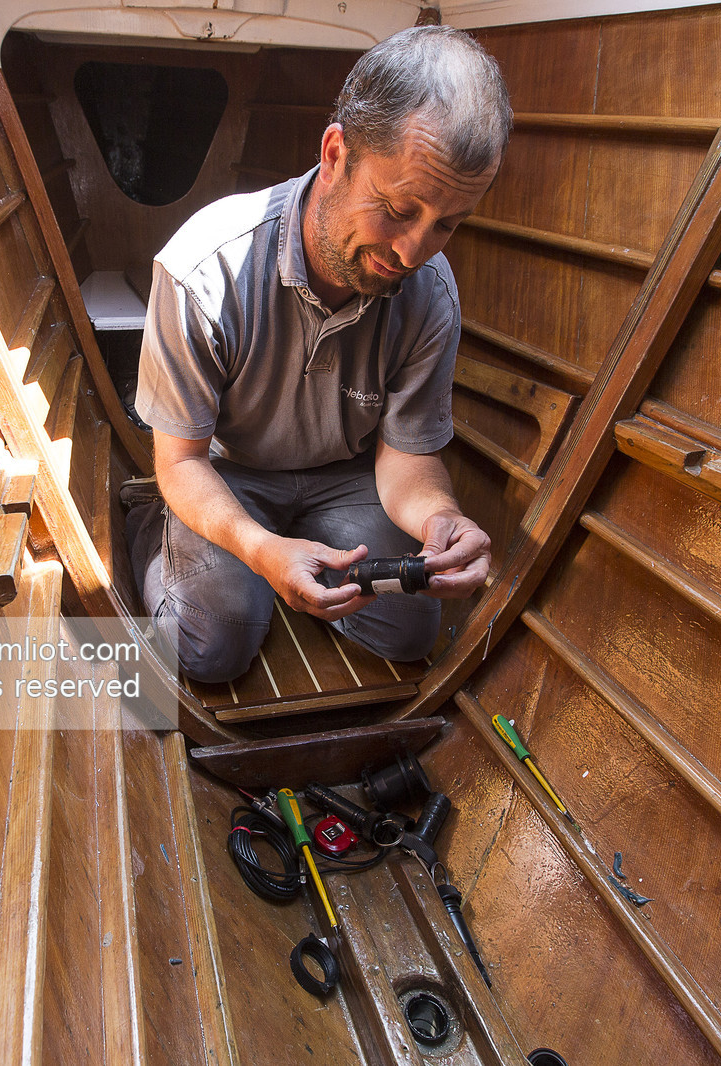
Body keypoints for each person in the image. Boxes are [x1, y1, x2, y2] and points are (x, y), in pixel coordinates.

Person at [125, 25, 512, 683]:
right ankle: (151, 527)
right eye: (397, 209)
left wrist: (441, 520)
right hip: (228, 475)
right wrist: (260, 548)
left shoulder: (430, 290)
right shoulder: (205, 267)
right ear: (336, 152)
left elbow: (409, 459)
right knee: (210, 648)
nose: (414, 251)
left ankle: (292, 578)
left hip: (345, 478)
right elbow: (183, 459)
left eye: (446, 223)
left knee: (411, 628)